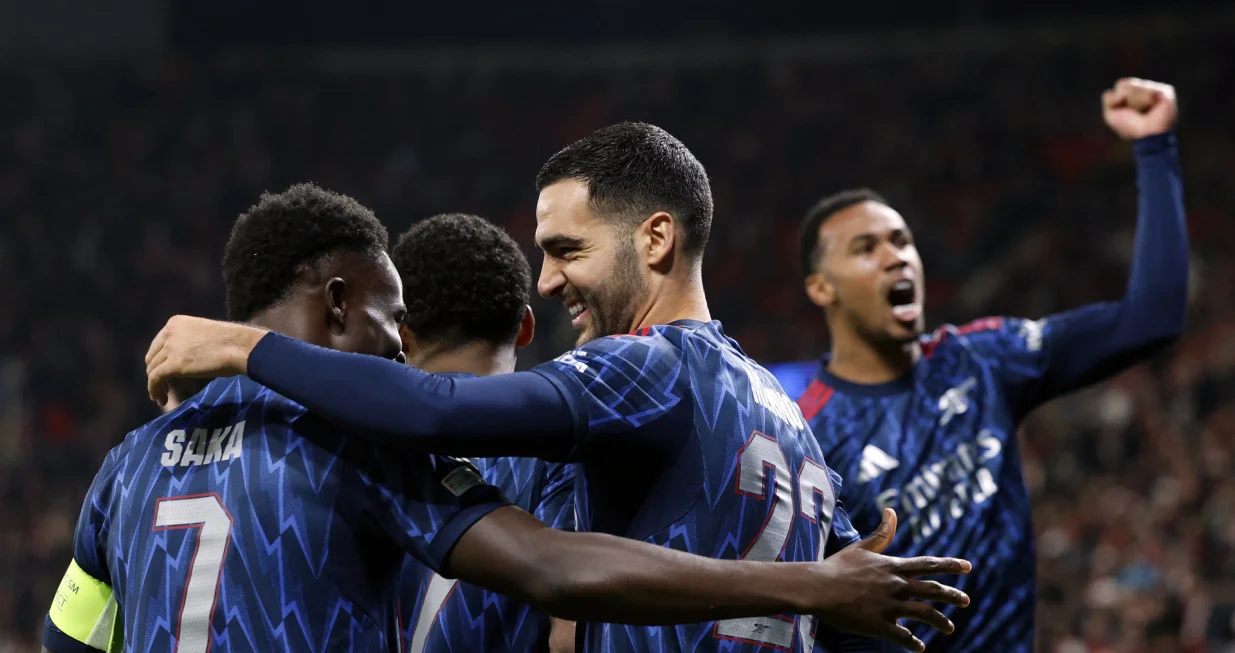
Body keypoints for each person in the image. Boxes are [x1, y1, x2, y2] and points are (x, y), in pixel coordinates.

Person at [143, 125, 973, 652]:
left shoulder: (649, 365)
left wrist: (243, 345)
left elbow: (439, 409)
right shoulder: (787, 416)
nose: (545, 279)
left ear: (655, 239)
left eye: (566, 249)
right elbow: (849, 604)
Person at [781, 78, 1188, 652]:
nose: (895, 255)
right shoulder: (808, 439)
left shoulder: (979, 358)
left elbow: (1152, 318)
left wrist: (1153, 148)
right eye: (865, 248)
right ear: (821, 288)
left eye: (902, 240)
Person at [390, 213, 576, 653]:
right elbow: (568, 634)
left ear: (401, 336)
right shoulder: (557, 448)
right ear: (526, 327)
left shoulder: (356, 443)